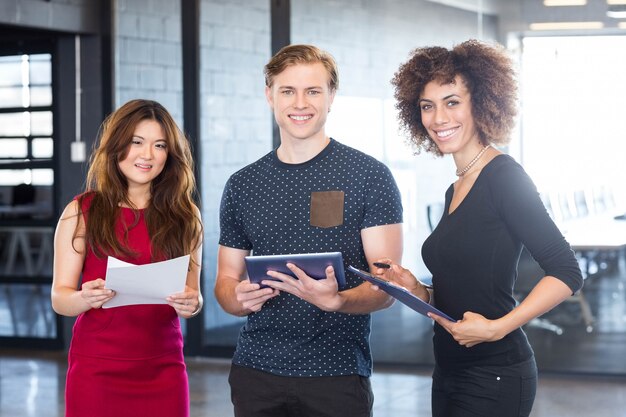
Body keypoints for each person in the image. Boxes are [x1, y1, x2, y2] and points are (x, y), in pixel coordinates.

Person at [384, 39, 584, 417]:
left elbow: (566, 270)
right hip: (448, 370)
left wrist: (498, 327)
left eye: (452, 102)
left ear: (482, 102)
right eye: (428, 106)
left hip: (495, 374)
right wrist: (419, 291)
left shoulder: (504, 176)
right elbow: (465, 287)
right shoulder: (456, 186)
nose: (439, 118)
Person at [215, 44, 404, 417]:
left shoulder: (368, 176)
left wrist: (339, 300)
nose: (299, 103)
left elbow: (389, 287)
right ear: (270, 95)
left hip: (336, 375)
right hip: (256, 373)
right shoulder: (242, 184)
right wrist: (238, 299)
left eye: (313, 91)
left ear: (331, 96)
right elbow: (225, 279)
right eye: (288, 91)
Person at [51, 99, 203, 417]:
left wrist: (192, 304)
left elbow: (194, 297)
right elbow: (60, 299)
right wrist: (85, 297)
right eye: (136, 142)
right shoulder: (80, 212)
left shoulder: (187, 217)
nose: (147, 155)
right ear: (118, 145)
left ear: (169, 156)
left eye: (159, 145)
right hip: (97, 369)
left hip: (164, 367)